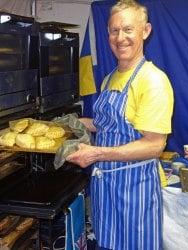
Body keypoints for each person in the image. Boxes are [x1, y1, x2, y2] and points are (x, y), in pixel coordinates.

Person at [66, 0, 174, 249]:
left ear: (145, 31)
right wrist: (73, 124)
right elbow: (107, 124)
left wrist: (96, 153)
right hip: (106, 187)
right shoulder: (109, 78)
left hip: (135, 190)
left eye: (128, 29)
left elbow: (154, 146)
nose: (120, 38)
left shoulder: (153, 81)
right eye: (114, 31)